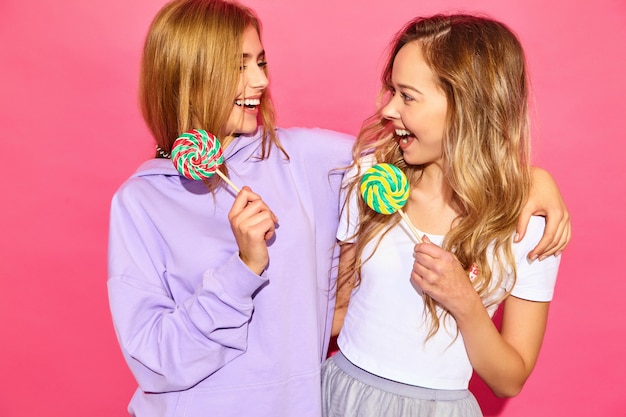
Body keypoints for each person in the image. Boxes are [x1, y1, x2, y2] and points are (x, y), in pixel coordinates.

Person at [107, 2, 569, 416]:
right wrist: (242, 269)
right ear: (188, 74)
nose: (262, 80)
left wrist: (531, 179)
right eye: (239, 66)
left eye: (262, 62)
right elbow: (153, 361)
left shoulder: (304, 159)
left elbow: (439, 152)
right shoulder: (140, 202)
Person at [323, 14, 562, 417]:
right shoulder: (368, 181)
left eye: (407, 96)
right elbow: (337, 311)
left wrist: (464, 301)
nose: (388, 110)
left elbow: (509, 379)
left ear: (467, 105)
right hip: (341, 393)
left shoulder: (527, 224)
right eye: (390, 91)